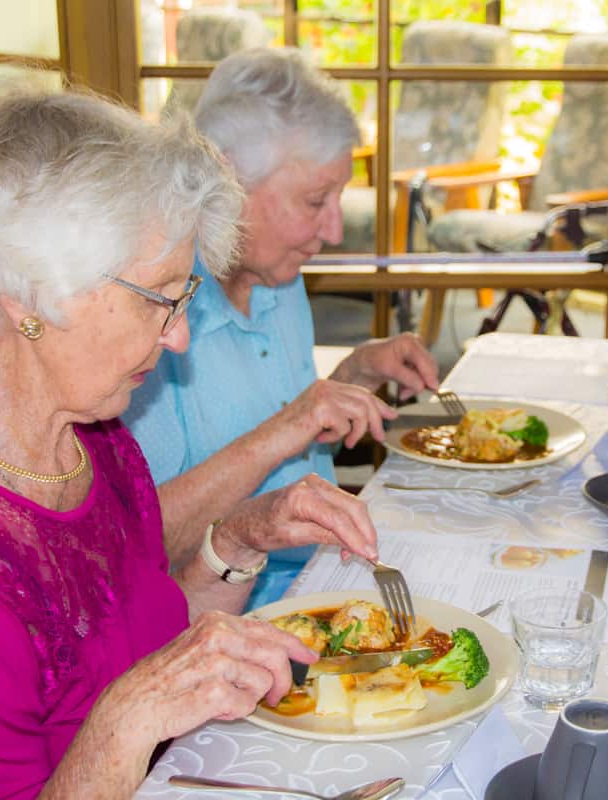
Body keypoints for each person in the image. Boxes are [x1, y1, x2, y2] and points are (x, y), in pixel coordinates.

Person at [0, 86, 382, 798]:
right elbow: (134, 699)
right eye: (158, 298)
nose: (179, 336)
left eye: (184, 299)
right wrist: (127, 720)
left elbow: (149, 642)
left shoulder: (94, 442)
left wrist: (235, 544)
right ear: (27, 293)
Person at [124, 47, 440, 608]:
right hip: (226, 614)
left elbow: (290, 432)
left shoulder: (278, 276)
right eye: (316, 200)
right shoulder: (155, 312)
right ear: (226, 182)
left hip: (329, 576)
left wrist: (356, 373)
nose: (335, 230)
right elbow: (140, 545)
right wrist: (294, 420)